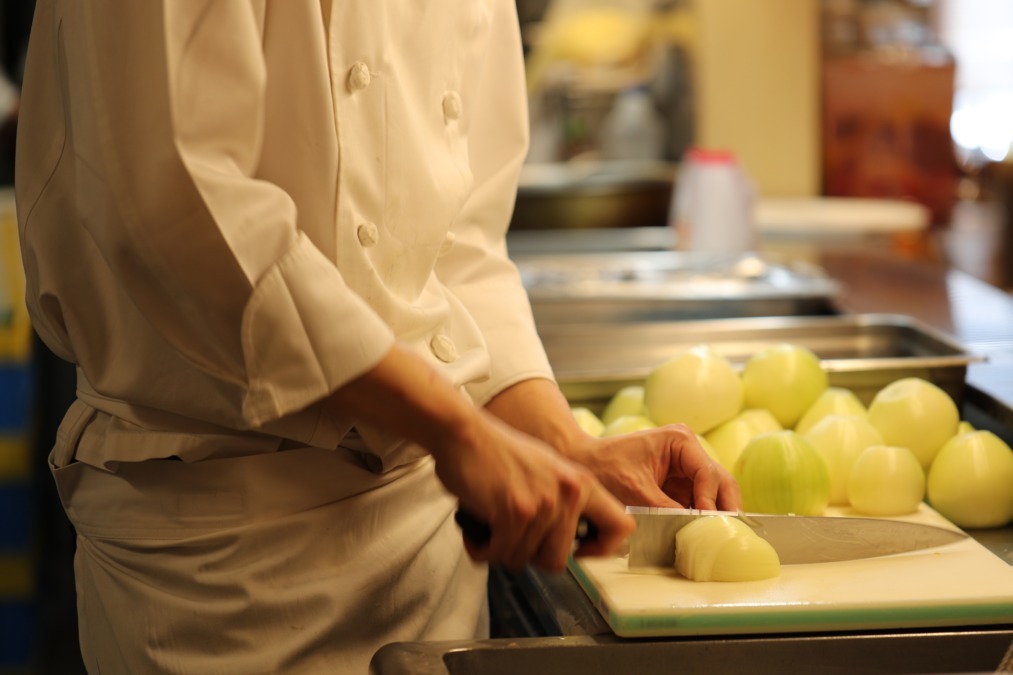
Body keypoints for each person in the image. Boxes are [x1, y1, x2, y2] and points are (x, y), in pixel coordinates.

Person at [15, 1, 740, 673]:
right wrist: (453, 427)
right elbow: (178, 206)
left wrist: (562, 446)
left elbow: (456, 242)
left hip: (427, 553)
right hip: (221, 557)